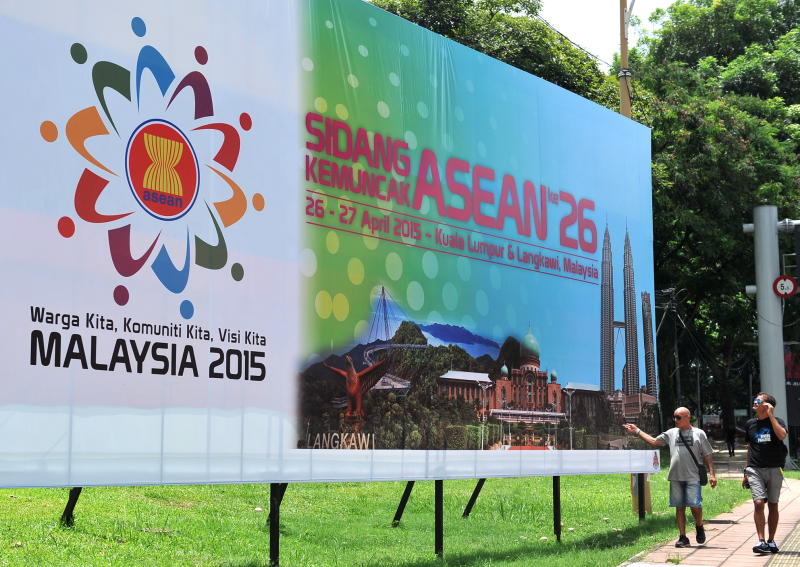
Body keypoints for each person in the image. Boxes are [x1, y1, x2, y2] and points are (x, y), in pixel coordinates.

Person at [623, 407, 717, 547]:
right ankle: (683, 537)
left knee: (695, 505)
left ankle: (699, 525)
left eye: (678, 417)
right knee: (679, 507)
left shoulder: (699, 433)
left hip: (693, 476)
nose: (675, 420)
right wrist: (637, 431)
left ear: (687, 417)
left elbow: (707, 454)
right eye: (674, 417)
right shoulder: (671, 433)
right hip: (675, 476)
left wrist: (712, 475)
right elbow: (654, 441)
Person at [743, 392, 788, 554]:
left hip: (775, 468)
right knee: (758, 502)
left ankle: (771, 541)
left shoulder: (778, 422)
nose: (754, 402)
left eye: (758, 400)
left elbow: (782, 435)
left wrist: (771, 416)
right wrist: (745, 472)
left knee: (773, 504)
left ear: (767, 405)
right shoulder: (750, 424)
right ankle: (761, 541)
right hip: (755, 469)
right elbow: (749, 448)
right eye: (755, 399)